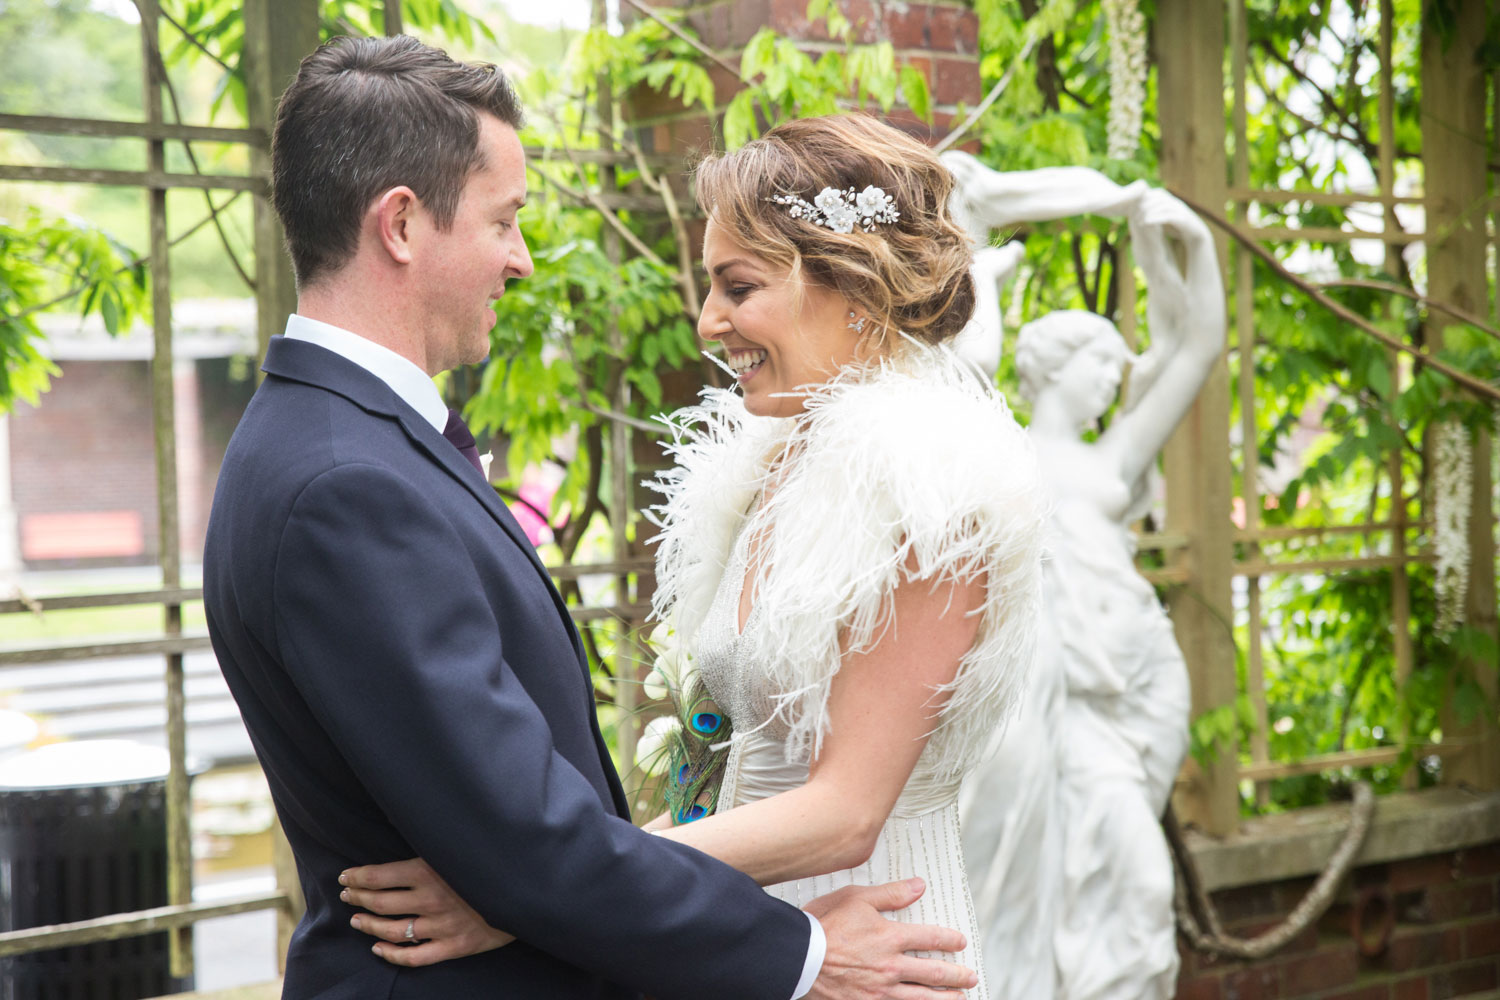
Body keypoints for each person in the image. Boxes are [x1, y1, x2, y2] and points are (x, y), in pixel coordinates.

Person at [203, 37, 980, 1000]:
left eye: (739, 286)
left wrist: (518, 892)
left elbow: (533, 844)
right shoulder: (342, 482)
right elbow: (523, 835)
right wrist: (792, 953)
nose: (522, 260)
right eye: (506, 221)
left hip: (886, 932)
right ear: (401, 224)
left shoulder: (933, 487)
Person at [965, 188, 1222, 999]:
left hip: (1132, 683)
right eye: (1100, 365)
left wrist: (1199, 251)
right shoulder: (996, 448)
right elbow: (961, 363)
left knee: (1128, 877)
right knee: (1086, 879)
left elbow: (1197, 349)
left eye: (1118, 369)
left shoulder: (1112, 462)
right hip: (1051, 700)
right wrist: (979, 268)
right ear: (1049, 365)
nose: (1116, 383)